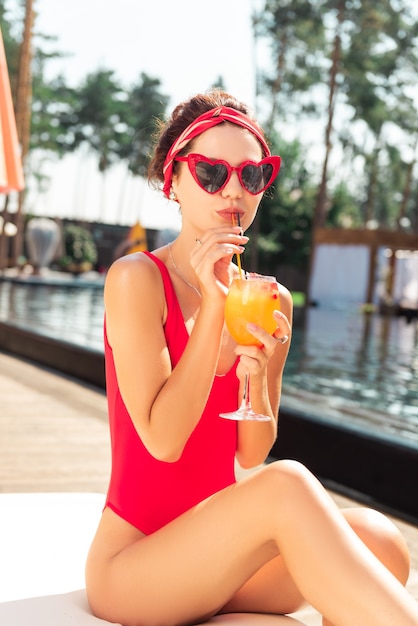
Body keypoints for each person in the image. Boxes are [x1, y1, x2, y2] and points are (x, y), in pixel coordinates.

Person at [85, 89, 418, 626]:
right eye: (211, 173)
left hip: (219, 561)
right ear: (173, 181)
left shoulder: (268, 299)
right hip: (135, 567)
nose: (233, 190)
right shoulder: (136, 279)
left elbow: (251, 453)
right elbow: (164, 443)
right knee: (287, 485)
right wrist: (213, 309)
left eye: (252, 174)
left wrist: (256, 376)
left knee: (383, 543)